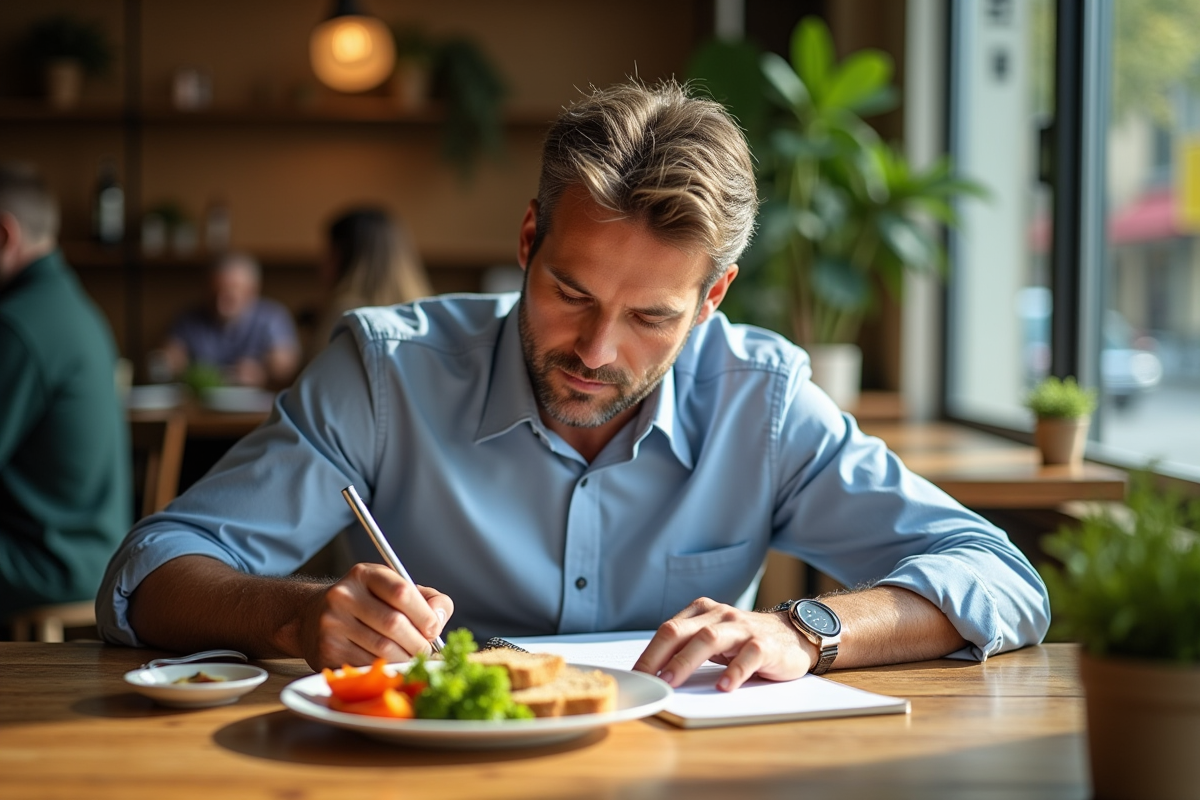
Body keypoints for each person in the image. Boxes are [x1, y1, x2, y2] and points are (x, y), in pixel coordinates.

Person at [98, 80, 1049, 691]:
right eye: (571, 292)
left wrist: (810, 628)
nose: (596, 349)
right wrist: (296, 613)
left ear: (713, 297)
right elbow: (147, 573)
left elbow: (999, 576)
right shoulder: (386, 372)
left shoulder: (760, 400)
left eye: (652, 317)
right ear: (528, 241)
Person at [0, 162, 131, 619]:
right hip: (92, 552)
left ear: (4, 236)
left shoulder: (17, 325)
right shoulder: (73, 306)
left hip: (47, 562)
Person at [159, 251, 300, 388]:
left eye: (230, 297)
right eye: (214, 295)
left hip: (255, 400)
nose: (220, 305)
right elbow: (170, 357)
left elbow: (286, 368)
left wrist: (264, 373)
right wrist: (170, 362)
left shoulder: (272, 317)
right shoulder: (188, 318)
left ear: (252, 291)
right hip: (200, 401)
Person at [311, 206, 433, 355]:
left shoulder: (347, 318)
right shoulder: (426, 318)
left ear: (340, 256)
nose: (321, 263)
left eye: (328, 252)